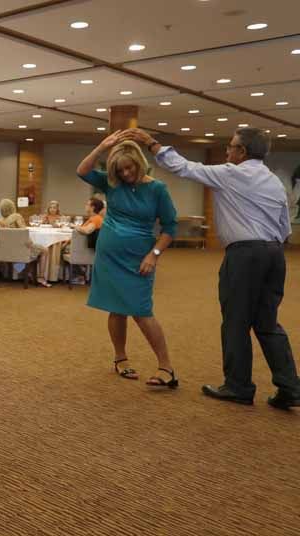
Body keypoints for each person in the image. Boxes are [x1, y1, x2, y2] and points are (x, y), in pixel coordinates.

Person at [126, 127, 300, 409]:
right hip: (274, 254)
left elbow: (182, 167)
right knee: (268, 323)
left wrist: (151, 143)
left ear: (242, 152)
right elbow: (284, 226)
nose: (227, 152)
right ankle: (290, 387)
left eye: (231, 147)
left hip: (245, 255)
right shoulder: (273, 181)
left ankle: (238, 386)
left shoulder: (231, 173)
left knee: (236, 321)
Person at [76, 133, 179, 388]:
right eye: (120, 170)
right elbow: (82, 170)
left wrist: (153, 255)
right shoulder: (112, 183)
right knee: (116, 307)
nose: (125, 174)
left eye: (129, 168)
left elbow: (170, 228)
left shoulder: (157, 189)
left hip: (139, 258)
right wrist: (102, 146)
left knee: (142, 311)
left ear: (139, 162)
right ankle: (120, 358)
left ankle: (166, 366)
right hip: (109, 256)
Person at [0, 198, 49, 286]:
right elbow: (24, 232)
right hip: (20, 250)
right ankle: (40, 277)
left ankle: (25, 272)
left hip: (7, 251)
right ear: (12, 207)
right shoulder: (17, 216)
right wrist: (31, 242)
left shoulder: (1, 221)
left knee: (31, 252)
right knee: (44, 250)